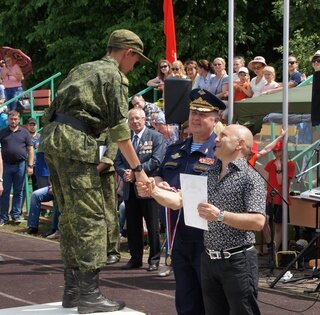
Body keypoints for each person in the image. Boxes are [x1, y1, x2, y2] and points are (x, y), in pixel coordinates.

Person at [39, 29, 151, 314]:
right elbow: (120, 129)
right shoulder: (114, 75)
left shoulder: (83, 68)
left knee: (69, 217)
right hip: (76, 145)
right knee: (90, 219)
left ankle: (73, 291)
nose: (133, 66)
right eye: (135, 61)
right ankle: (89, 295)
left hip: (53, 140)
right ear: (128, 53)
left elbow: (50, 110)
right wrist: (138, 169)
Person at [136, 124, 266, 315]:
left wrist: (220, 215)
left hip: (237, 261)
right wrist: (153, 191)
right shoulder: (210, 173)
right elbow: (180, 201)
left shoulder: (250, 178)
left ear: (239, 144)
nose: (218, 139)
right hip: (209, 260)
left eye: (224, 136)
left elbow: (258, 221)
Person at [152, 89, 225, 315]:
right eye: (193, 112)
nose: (195, 117)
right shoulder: (175, 149)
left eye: (203, 114)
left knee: (212, 300)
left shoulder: (222, 151)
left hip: (210, 237)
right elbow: (158, 173)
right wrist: (159, 183)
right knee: (185, 298)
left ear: (216, 119)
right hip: (179, 234)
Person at [114, 107, 166, 272]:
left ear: (145, 119)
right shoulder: (125, 139)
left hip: (148, 187)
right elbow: (117, 162)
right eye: (132, 119)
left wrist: (136, 173)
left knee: (152, 226)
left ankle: (154, 259)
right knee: (133, 226)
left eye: (138, 118)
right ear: (128, 122)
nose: (135, 121)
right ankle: (135, 258)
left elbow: (157, 161)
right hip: (130, 189)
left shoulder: (156, 137)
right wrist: (125, 173)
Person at [0, 111, 34, 226]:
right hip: (6, 166)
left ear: (19, 119)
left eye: (15, 119)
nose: (13, 121)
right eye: (11, 119)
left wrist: (30, 166)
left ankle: (16, 215)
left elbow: (30, 150)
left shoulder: (25, 132)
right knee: (5, 191)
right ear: (8, 120)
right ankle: (3, 217)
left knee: (19, 192)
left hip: (21, 165)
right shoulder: (2, 132)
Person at [263, 140, 295, 253]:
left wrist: (279, 168)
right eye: (275, 151)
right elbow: (265, 181)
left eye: (279, 151)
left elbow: (281, 182)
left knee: (278, 227)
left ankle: (274, 252)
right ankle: (270, 245)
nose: (277, 154)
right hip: (269, 199)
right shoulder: (270, 164)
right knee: (264, 222)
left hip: (281, 200)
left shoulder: (290, 164)